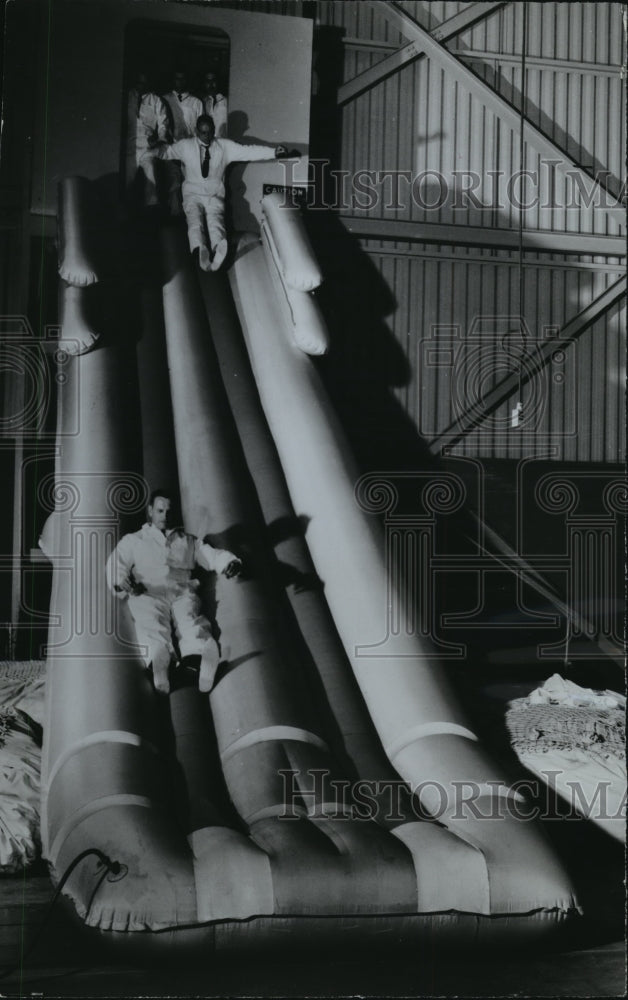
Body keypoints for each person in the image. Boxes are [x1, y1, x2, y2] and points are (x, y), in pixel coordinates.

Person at [106, 489, 241, 695]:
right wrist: (120, 580)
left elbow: (210, 554)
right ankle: (159, 661)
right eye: (160, 511)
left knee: (190, 619)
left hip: (182, 590)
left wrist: (228, 562)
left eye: (168, 511)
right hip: (147, 591)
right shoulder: (135, 540)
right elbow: (117, 562)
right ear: (151, 511)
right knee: (150, 622)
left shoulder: (187, 540)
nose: (165, 516)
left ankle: (198, 658)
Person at [152, 115, 299, 271]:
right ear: (196, 131)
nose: (207, 137)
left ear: (214, 131)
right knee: (195, 221)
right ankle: (198, 250)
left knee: (216, 222)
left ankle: (217, 249)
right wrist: (155, 146)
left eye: (209, 133)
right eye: (203, 133)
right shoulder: (185, 146)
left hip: (214, 195)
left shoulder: (224, 147)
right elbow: (166, 152)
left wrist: (274, 152)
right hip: (192, 195)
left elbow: (249, 151)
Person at [126, 71, 170, 208]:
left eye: (144, 83)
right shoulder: (127, 96)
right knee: (127, 183)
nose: (141, 86)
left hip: (147, 147)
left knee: (151, 179)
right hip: (129, 147)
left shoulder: (155, 100)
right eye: (139, 83)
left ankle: (151, 212)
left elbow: (163, 123)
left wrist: (160, 139)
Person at [200, 71, 228, 138]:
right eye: (208, 81)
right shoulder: (201, 103)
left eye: (213, 80)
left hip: (224, 142)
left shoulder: (226, 101)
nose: (211, 84)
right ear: (204, 83)